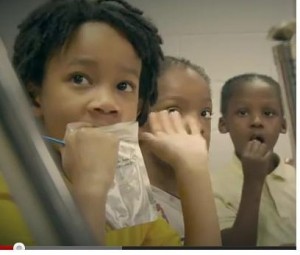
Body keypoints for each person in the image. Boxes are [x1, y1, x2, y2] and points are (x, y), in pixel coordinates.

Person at [0, 0, 218, 246]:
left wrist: (194, 170)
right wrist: (91, 190)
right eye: (79, 78)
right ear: (35, 95)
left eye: (123, 86)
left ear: (138, 107)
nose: (106, 103)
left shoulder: (124, 182)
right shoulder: (14, 191)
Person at [140, 56, 221, 245]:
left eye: (205, 113)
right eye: (173, 110)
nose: (198, 125)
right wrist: (193, 168)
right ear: (139, 120)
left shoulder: (200, 196)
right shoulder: (131, 208)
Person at [211, 73, 296, 246]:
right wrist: (253, 182)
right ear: (223, 124)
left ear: (283, 125)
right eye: (242, 112)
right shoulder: (212, 187)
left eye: (268, 113)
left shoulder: (295, 175)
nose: (257, 121)